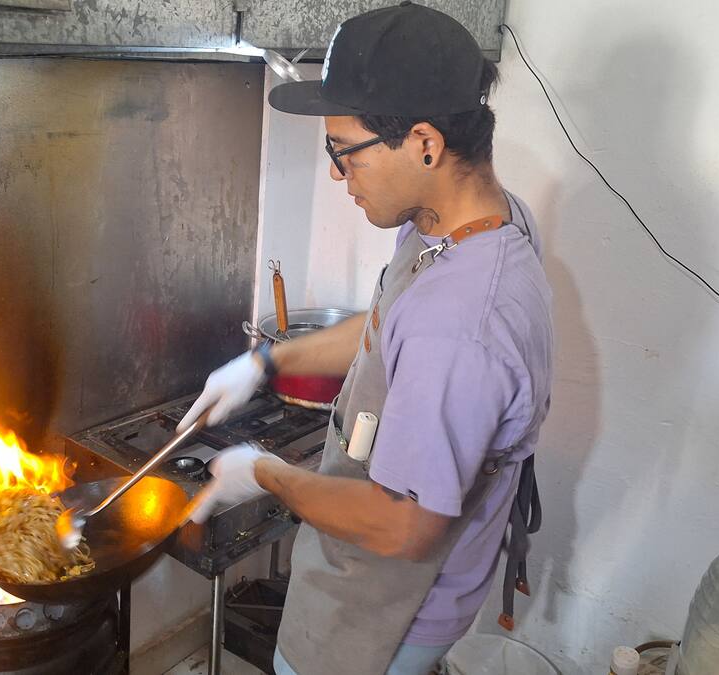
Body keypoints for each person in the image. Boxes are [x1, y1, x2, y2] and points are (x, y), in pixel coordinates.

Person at [178, 3, 554, 674]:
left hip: (392, 613)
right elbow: (385, 323)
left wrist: (265, 472)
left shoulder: (463, 321)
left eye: (342, 153)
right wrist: (265, 361)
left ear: (425, 143)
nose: (334, 175)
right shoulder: (460, 221)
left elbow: (401, 526)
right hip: (362, 575)